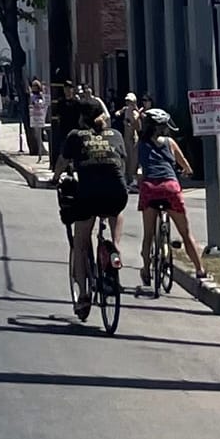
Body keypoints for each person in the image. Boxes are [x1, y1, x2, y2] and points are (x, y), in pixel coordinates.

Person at [57, 93, 131, 291]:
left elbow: (62, 161)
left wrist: (55, 178)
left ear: (81, 118)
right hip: (117, 194)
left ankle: (82, 294)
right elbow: (123, 162)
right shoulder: (116, 135)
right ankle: (115, 246)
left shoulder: (75, 136)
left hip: (89, 196)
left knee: (80, 244)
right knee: (116, 210)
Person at [134, 108, 207, 281]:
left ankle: (146, 270)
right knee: (185, 234)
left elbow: (132, 168)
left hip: (150, 188)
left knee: (148, 235)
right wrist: (186, 171)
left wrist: (138, 176)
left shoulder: (140, 144)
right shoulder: (170, 142)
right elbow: (186, 166)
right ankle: (200, 269)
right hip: (170, 187)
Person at [26, 75, 49, 157]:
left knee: (39, 133)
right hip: (34, 117)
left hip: (40, 116)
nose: (34, 88)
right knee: (37, 134)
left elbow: (44, 104)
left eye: (35, 86)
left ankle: (42, 149)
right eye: (33, 86)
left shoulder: (41, 95)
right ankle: (41, 148)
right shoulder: (32, 96)